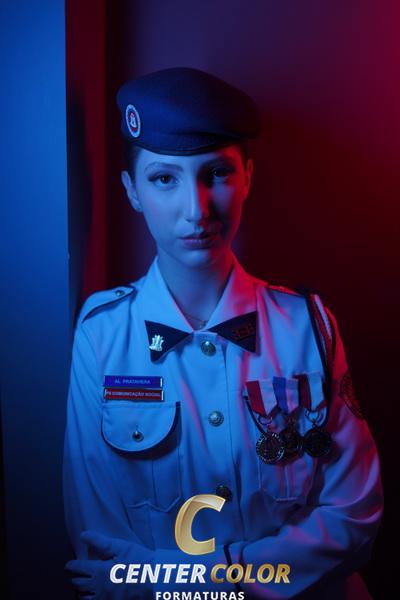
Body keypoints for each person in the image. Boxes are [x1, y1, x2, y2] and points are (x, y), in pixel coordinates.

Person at [63, 67, 383, 599]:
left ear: (248, 177)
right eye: (164, 178)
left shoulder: (310, 327)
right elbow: (101, 549)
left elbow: (353, 518)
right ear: (132, 190)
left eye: (216, 173)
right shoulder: (103, 336)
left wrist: (184, 582)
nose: (197, 210)